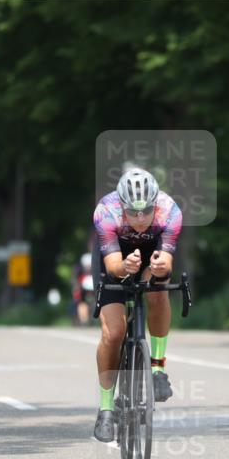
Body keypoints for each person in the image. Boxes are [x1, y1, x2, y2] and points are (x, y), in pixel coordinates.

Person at [91, 167, 182, 442]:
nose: (140, 218)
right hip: (115, 258)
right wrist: (125, 267)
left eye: (146, 211)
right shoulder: (106, 212)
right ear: (122, 206)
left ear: (156, 204)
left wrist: (156, 268)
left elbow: (166, 264)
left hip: (150, 255)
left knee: (158, 291)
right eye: (133, 212)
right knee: (114, 333)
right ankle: (106, 407)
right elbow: (113, 266)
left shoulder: (171, 212)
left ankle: (158, 369)